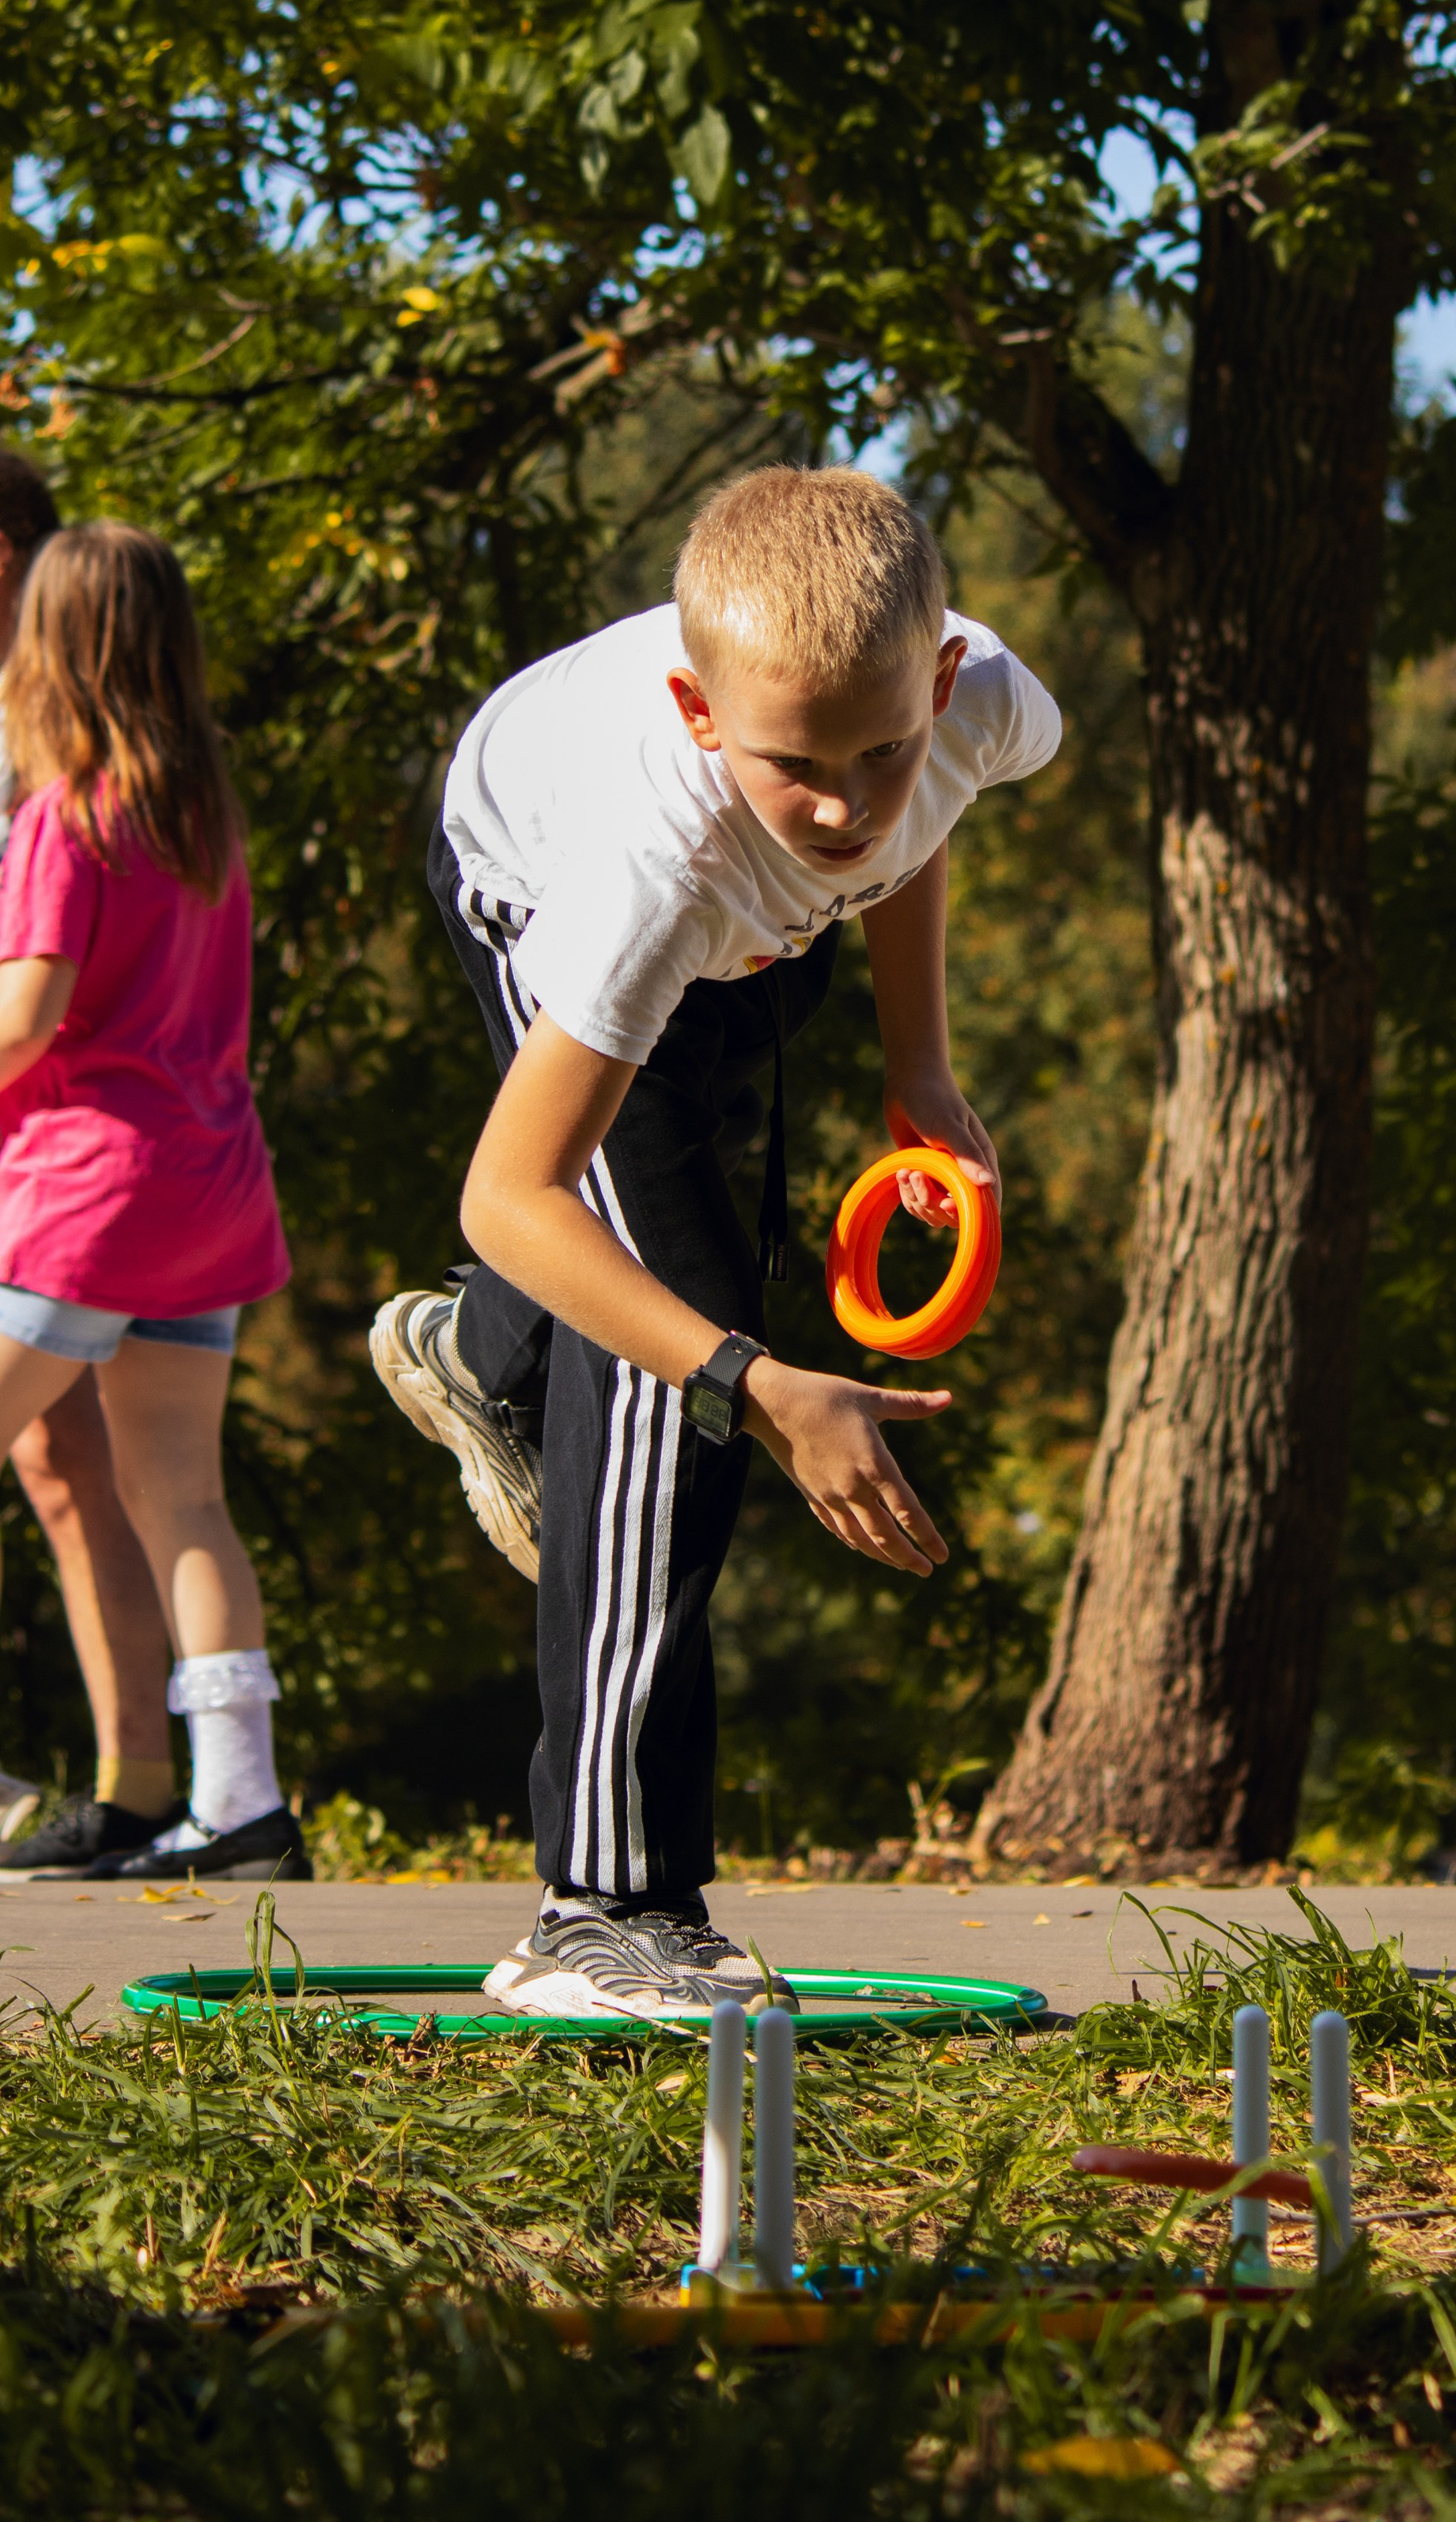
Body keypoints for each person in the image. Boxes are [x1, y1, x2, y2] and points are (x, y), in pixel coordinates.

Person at [371, 465, 1059, 2017]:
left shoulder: (981, 710)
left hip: (763, 942)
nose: (845, 802)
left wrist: (920, 1065)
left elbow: (915, 817)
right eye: (794, 762)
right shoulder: (648, 865)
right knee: (671, 1358)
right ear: (698, 710)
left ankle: (478, 1354)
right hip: (538, 859)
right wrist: (753, 1383)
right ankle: (600, 1911)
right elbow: (509, 1195)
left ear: (941, 680)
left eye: (880, 746)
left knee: (676, 1295)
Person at [0, 522, 299, 1882]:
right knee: (183, 1496)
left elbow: (26, 1019)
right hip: (211, 1195)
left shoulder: (62, 816)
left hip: (91, 1195)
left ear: (48, 648)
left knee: (155, 1487)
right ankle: (240, 1808)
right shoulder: (201, 823)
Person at [0, 459, 180, 1867]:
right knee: (65, 1459)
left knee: (92, 1460)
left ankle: (141, 1784)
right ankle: (143, 1785)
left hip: (66, 1131)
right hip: (63, 1130)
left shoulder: (67, 734)